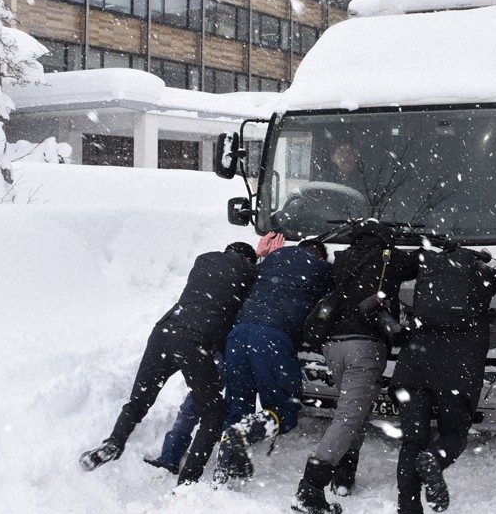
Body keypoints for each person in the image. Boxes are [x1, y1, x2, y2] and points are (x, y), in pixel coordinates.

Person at [78, 240, 263, 486]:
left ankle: (114, 442)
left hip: (164, 333)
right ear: (248, 260)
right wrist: (261, 256)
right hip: (195, 341)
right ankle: (188, 481)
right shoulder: (248, 272)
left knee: (138, 401)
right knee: (212, 414)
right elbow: (255, 277)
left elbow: (227, 273)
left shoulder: (204, 259)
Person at [291, 219, 419, 514]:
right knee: (348, 417)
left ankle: (344, 475)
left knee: (351, 412)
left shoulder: (342, 258)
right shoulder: (392, 258)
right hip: (365, 347)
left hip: (333, 345)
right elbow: (421, 261)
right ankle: (310, 489)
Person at [214, 236, 334, 484]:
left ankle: (223, 474)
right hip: (273, 338)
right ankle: (242, 434)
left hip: (238, 334)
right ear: (321, 257)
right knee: (284, 411)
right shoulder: (321, 269)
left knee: (238, 406)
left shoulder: (272, 261)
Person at [393, 242, 496, 514]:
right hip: (456, 373)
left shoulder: (426, 275)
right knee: (453, 434)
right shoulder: (483, 276)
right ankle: (435, 458)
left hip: (413, 368)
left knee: (412, 441)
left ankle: (408, 506)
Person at [142, 353, 224, 475]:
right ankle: (172, 456)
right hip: (225, 354)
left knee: (193, 404)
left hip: (225, 355)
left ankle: (171, 457)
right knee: (195, 404)